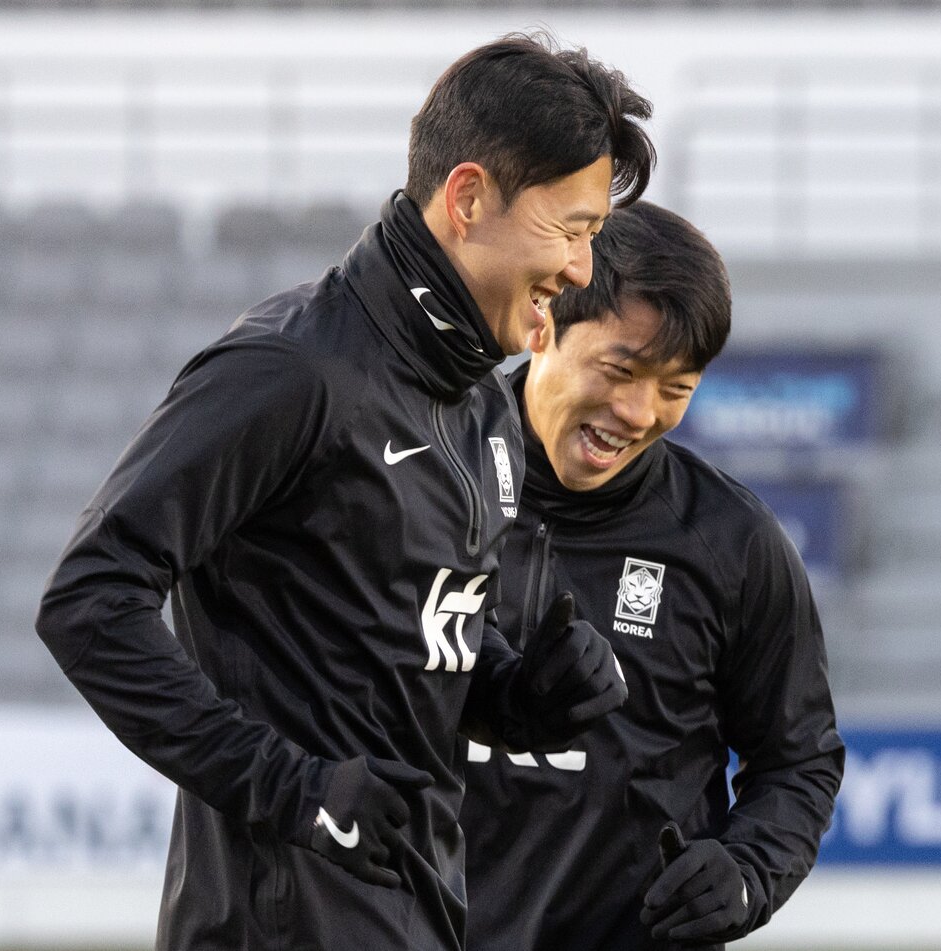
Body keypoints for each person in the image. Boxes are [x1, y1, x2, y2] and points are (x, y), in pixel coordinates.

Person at [35, 34, 653, 951]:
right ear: (469, 197)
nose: (580, 271)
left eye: (592, 237)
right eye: (571, 231)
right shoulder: (294, 369)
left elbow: (395, 647)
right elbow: (87, 600)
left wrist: (520, 695)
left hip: (415, 912)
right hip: (272, 925)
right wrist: (290, 787)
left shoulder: (483, 406)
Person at [459, 201, 845, 951]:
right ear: (543, 327)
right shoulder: (416, 479)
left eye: (677, 387)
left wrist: (745, 870)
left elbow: (799, 758)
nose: (638, 412)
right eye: (621, 370)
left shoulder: (734, 543)